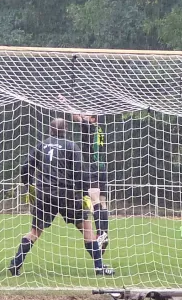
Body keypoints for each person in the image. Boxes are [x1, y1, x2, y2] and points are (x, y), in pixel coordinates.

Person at [8, 118, 114, 277]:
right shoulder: (72, 146)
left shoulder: (41, 145)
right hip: (67, 195)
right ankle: (99, 268)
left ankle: (15, 264)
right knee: (87, 230)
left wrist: (28, 186)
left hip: (44, 193)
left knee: (34, 232)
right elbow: (80, 174)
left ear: (50, 129)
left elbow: (25, 168)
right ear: (66, 130)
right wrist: (84, 194)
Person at [57, 95, 110, 251]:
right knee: (102, 202)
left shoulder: (89, 126)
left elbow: (75, 116)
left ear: (93, 119)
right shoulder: (99, 129)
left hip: (92, 168)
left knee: (95, 202)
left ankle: (101, 234)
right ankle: (104, 233)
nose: (83, 116)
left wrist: (65, 102)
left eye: (87, 115)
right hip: (102, 168)